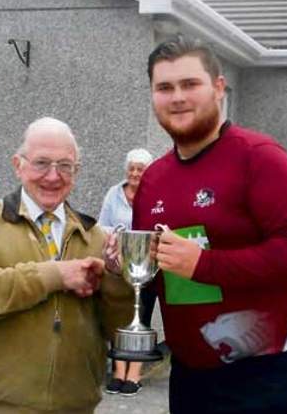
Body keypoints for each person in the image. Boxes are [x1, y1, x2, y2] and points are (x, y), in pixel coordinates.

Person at [109, 35, 287, 414]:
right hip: (189, 374)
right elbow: (157, 272)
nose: (177, 97)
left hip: (264, 374)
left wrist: (203, 264)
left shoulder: (260, 157)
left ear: (219, 88)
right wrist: (123, 265)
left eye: (190, 84)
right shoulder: (154, 178)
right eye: (164, 87)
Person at [0, 117, 134, 414]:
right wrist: (56, 274)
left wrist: (116, 280)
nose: (53, 176)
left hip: (74, 406)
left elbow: (118, 330)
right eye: (41, 163)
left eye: (65, 166)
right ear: (18, 165)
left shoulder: (96, 236)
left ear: (77, 171)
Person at [99, 148, 154, 397]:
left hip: (147, 265)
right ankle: (119, 370)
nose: (134, 173)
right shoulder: (114, 193)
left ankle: (135, 373)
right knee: (118, 315)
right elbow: (103, 225)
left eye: (140, 169)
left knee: (141, 315)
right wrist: (115, 243)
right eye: (131, 168)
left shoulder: (154, 193)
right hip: (119, 265)